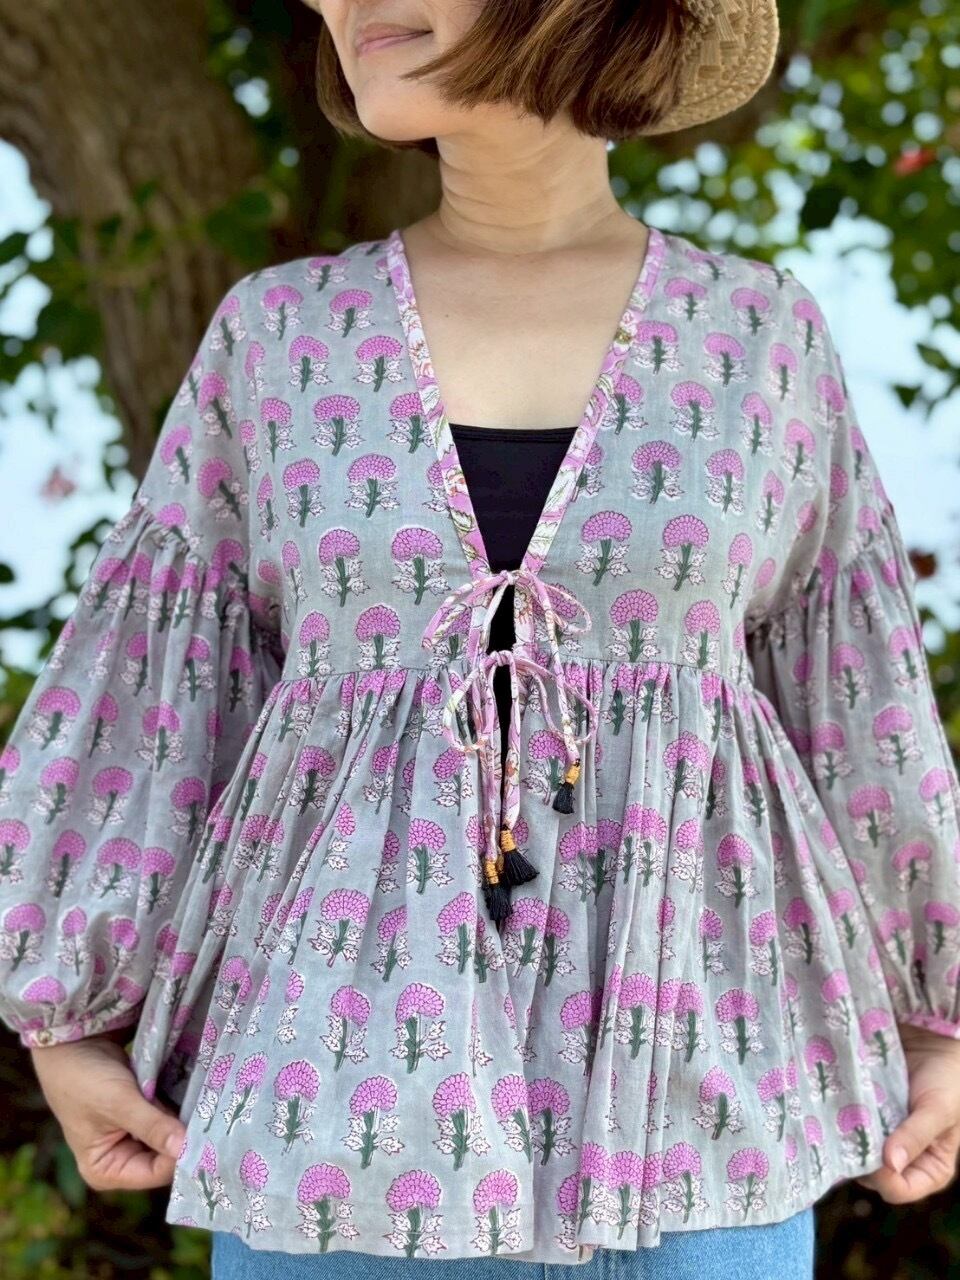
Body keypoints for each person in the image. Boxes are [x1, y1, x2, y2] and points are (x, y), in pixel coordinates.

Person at [2, 1, 959, 1276]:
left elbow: (854, 694)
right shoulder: (281, 337)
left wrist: (938, 1014)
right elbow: (155, 694)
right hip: (325, 1125)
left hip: (689, 1128)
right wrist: (65, 1019)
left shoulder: (757, 336)